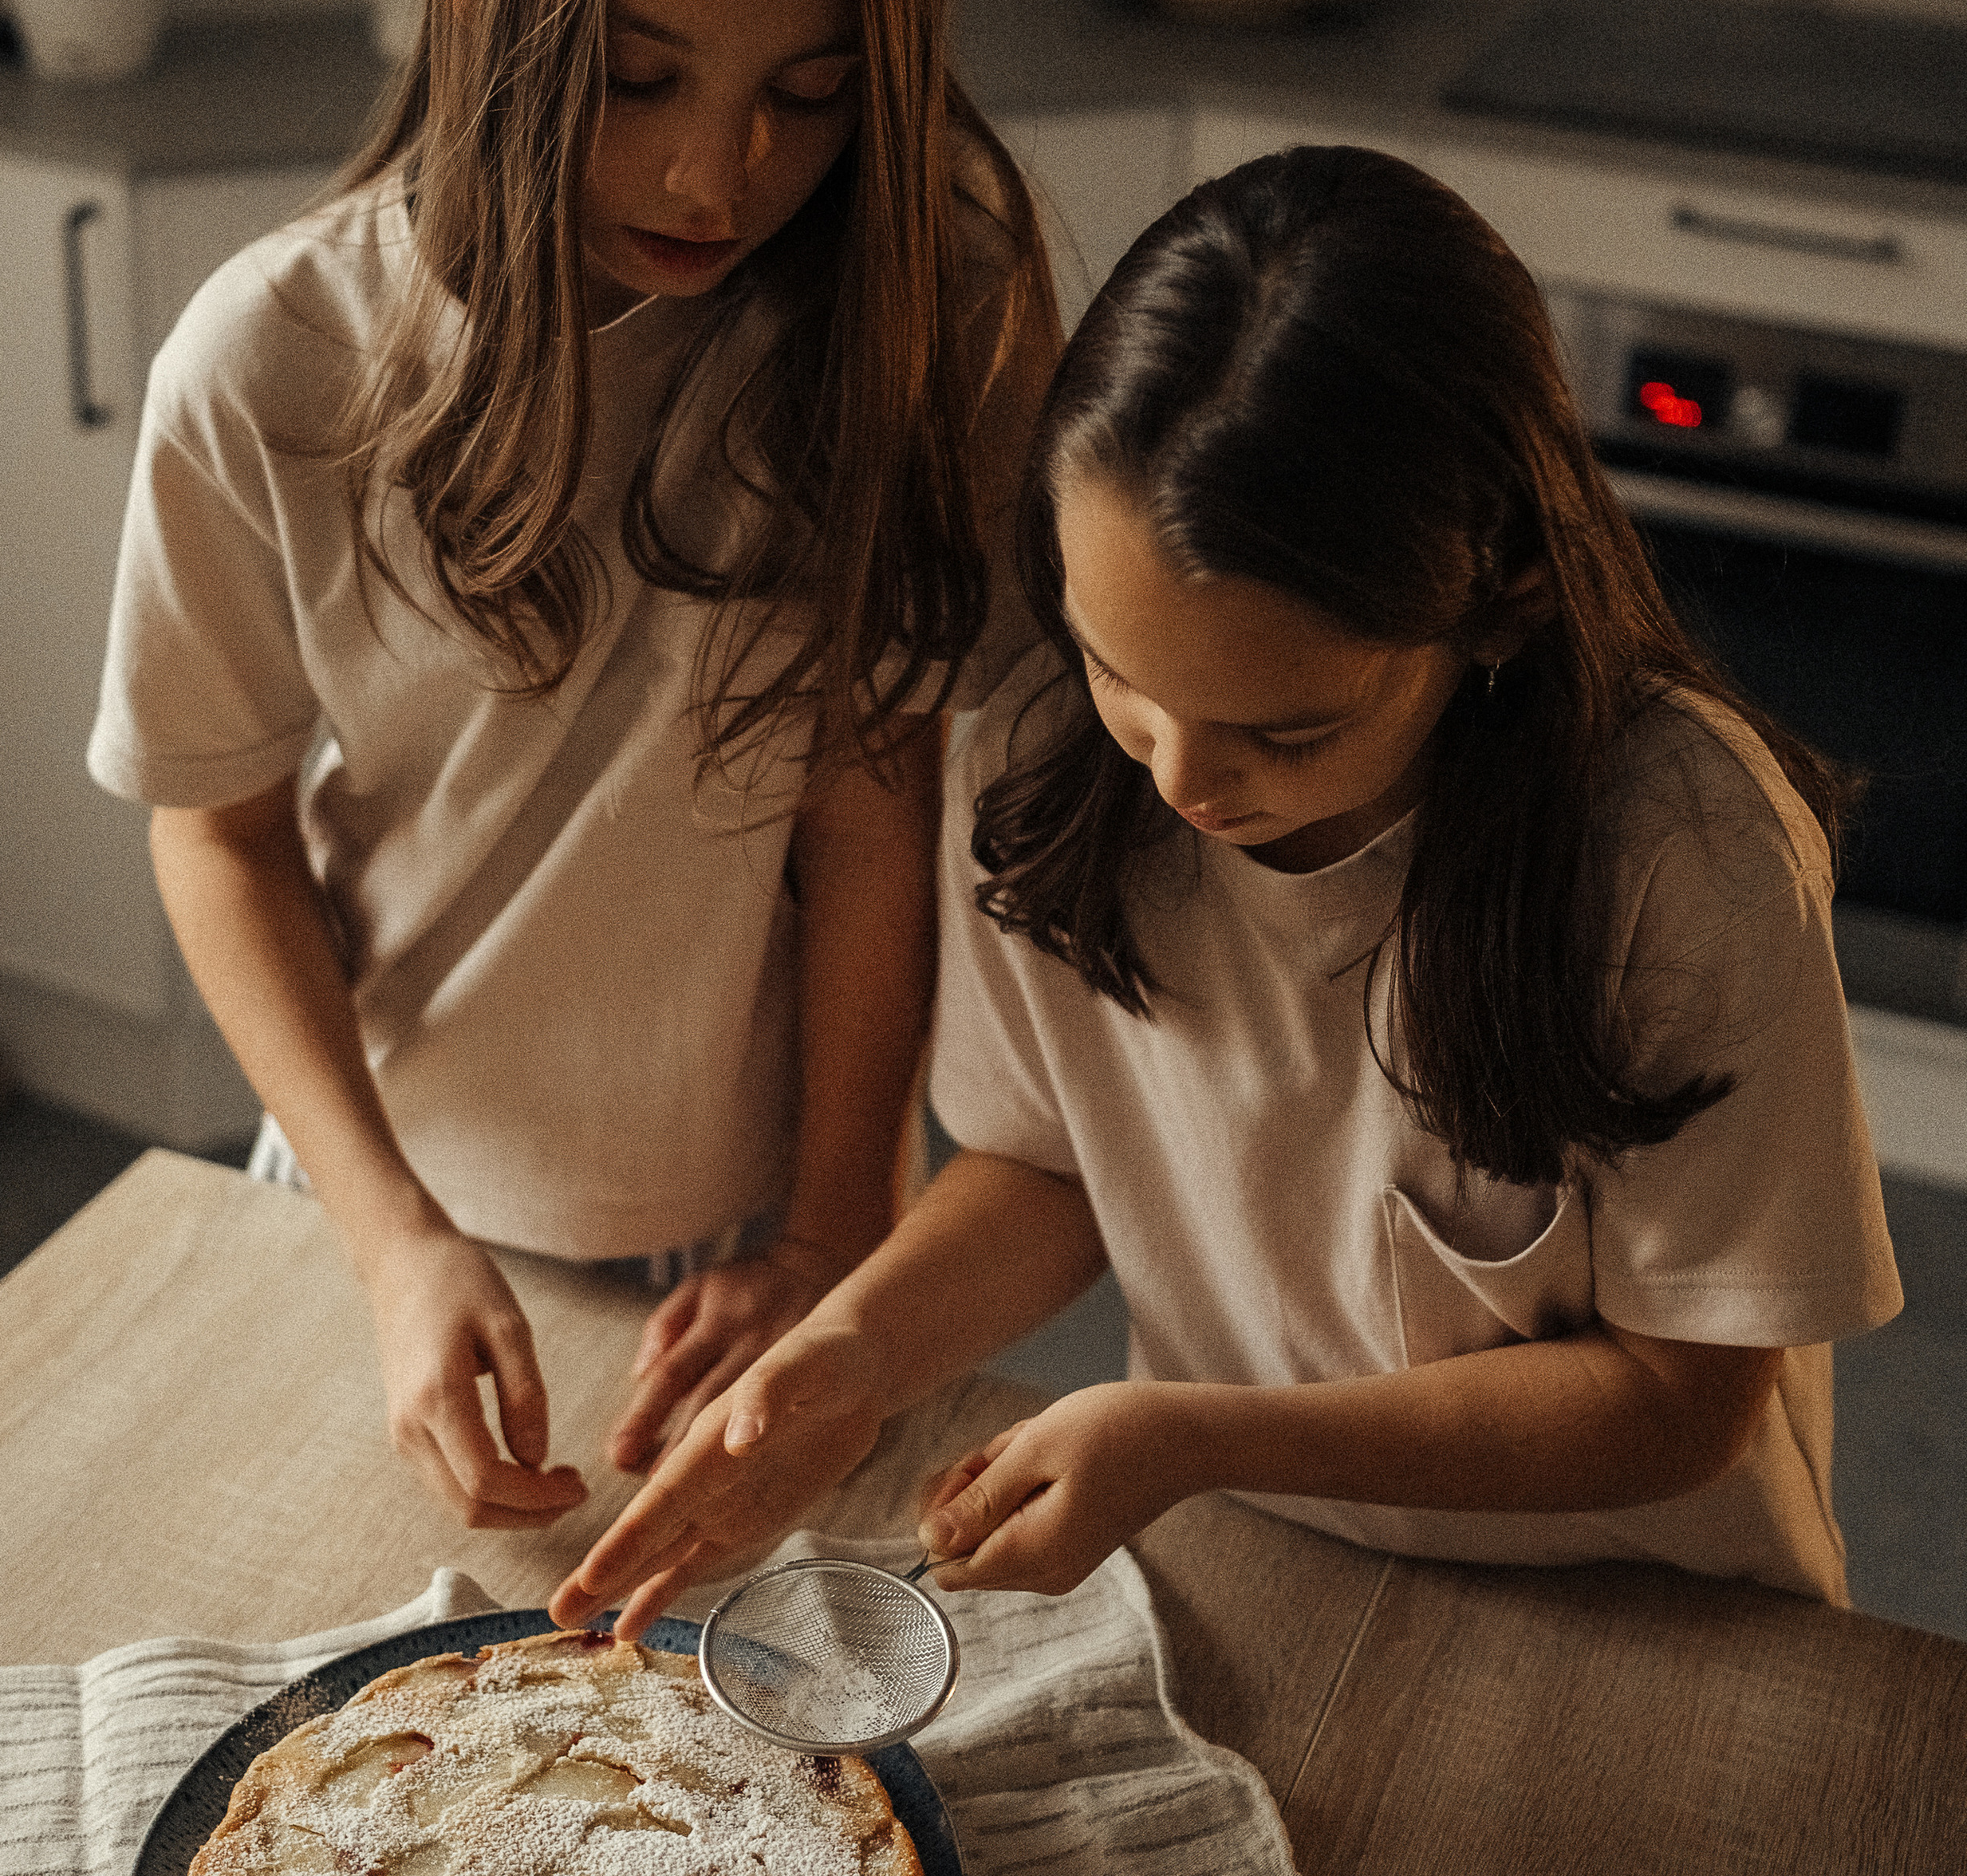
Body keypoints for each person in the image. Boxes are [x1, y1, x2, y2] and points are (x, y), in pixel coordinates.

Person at [550, 144, 1903, 1641]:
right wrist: (857, 1350)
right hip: (1257, 1560)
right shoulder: (1037, 764)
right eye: (1121, 671)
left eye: (1290, 729)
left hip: (1646, 1613)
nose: (1182, 780)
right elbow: (1046, 1167)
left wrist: (1197, 1432)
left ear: (1498, 601)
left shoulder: (1680, 850)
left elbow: (1682, 1401)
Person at [88, 0, 1058, 1530]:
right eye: (638, 79)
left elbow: (875, 798)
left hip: (766, 1226)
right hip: (382, 1207)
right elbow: (218, 828)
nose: (718, 177)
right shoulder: (271, 362)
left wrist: (835, 1226)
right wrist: (387, 1243)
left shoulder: (929, 305)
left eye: (807, 97)